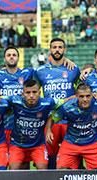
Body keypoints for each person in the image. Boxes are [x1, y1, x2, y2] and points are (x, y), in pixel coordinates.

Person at [34, 38, 81, 169]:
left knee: (73, 155)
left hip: (70, 120)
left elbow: (83, 89)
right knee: (50, 155)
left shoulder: (73, 69)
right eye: (54, 47)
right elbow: (33, 92)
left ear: (64, 49)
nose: (57, 50)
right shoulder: (40, 71)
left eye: (60, 47)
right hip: (50, 120)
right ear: (50, 49)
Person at [7, 80, 65, 170]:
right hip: (17, 145)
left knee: (42, 169)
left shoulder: (48, 103)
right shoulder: (14, 101)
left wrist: (49, 127)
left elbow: (65, 102)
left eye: (34, 92)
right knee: (13, 169)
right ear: (22, 93)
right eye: (28, 92)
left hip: (38, 145)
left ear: (39, 92)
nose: (31, 95)